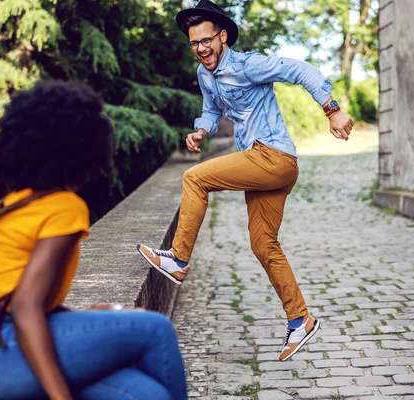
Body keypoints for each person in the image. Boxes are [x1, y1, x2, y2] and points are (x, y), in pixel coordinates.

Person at [137, 0, 354, 362]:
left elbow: (299, 69)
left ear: (222, 36)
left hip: (273, 156)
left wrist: (332, 110)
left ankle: (177, 258)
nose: (201, 48)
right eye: (194, 43)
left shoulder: (248, 64)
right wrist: (200, 131)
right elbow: (211, 108)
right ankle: (300, 318)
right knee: (263, 244)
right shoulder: (205, 74)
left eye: (207, 40)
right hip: (262, 167)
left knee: (195, 178)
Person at [0, 80, 188, 400]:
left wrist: (76, 317)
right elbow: (24, 306)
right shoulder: (64, 206)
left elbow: (14, 290)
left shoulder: (18, 202)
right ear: (82, 147)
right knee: (156, 329)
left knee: (146, 394)